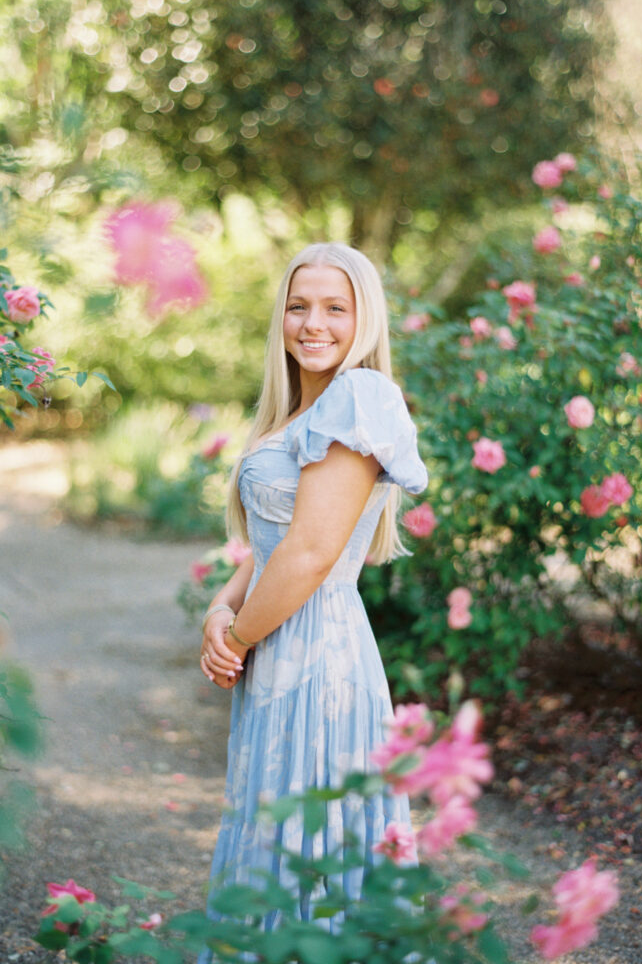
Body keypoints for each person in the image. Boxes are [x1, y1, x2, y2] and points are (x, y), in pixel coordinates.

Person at [198, 242, 427, 945]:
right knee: (277, 831)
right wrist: (223, 605)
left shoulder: (358, 398)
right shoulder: (299, 412)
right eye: (298, 307)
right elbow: (273, 542)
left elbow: (311, 553)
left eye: (335, 307)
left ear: (365, 318)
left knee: (313, 842)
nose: (313, 323)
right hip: (276, 644)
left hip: (317, 656)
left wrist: (237, 640)